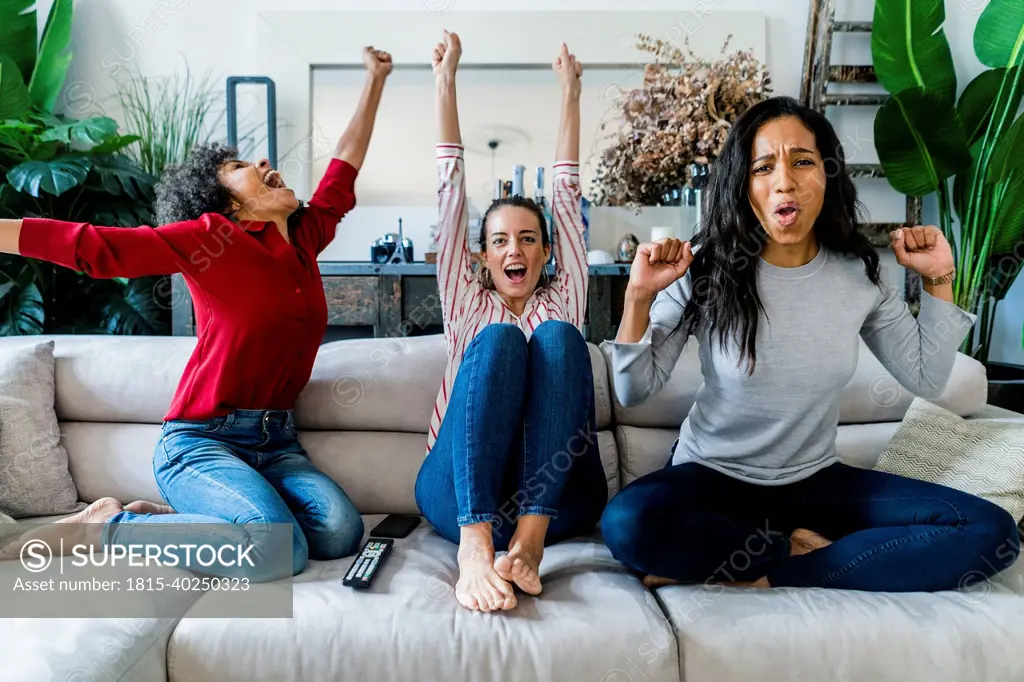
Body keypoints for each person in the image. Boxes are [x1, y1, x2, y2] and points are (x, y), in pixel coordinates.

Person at [0, 48, 395, 582]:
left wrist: (375, 79)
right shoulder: (211, 238)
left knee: (339, 533)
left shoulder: (305, 238)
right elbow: (98, 247)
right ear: (224, 203)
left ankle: (197, 522)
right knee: (280, 552)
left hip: (276, 441)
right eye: (239, 167)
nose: (261, 164)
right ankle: (104, 529)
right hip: (201, 440)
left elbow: (343, 169)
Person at [599, 96, 1020, 592]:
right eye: (764, 167)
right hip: (711, 476)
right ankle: (779, 544)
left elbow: (925, 377)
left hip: (815, 484)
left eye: (802, 161)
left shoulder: (860, 274)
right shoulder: (706, 268)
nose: (785, 180)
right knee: (626, 523)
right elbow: (632, 391)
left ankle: (772, 569)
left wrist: (939, 280)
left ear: (828, 174)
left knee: (992, 531)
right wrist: (639, 297)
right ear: (745, 184)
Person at [414, 31, 608, 612]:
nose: (513, 250)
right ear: (482, 256)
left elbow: (567, 193)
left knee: (556, 338)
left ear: (548, 253)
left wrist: (571, 94)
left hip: (556, 500)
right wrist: (444, 82)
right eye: (499, 241)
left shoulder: (565, 297)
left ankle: (528, 544)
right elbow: (450, 198)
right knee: (499, 340)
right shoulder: (467, 303)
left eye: (528, 239)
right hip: (457, 492)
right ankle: (476, 548)